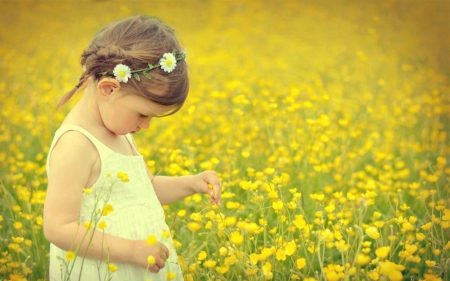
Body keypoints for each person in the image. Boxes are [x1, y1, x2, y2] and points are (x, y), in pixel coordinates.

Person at [43, 15, 222, 281]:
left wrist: (192, 184)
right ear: (109, 89)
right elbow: (58, 228)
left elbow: (143, 190)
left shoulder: (119, 130)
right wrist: (130, 251)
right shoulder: (76, 145)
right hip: (104, 271)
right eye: (142, 114)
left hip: (139, 266)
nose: (146, 125)